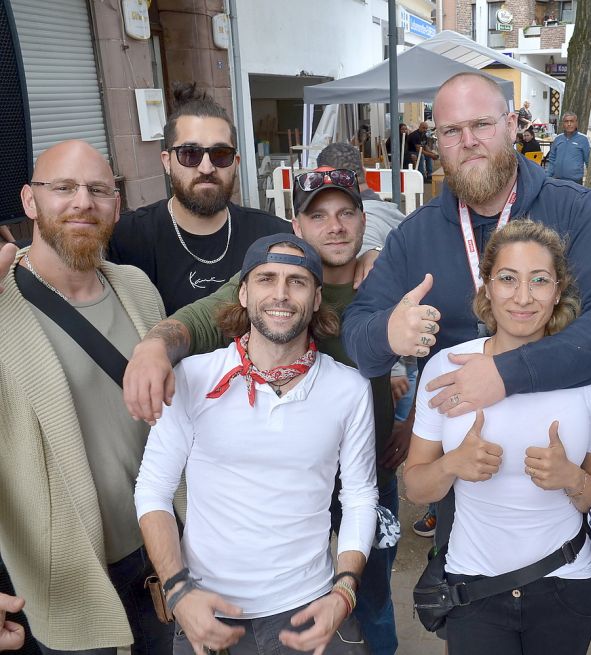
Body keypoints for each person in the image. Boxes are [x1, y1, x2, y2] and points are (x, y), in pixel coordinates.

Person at [122, 167, 403, 655]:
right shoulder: (193, 378)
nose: (280, 293)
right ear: (243, 291)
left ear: (316, 299)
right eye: (266, 279)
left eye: (296, 282)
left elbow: (359, 495)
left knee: (376, 603)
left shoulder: (352, 373)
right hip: (208, 603)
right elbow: (153, 489)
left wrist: (343, 590)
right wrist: (178, 589)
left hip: (308, 598)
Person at [341, 70, 591, 437]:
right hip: (457, 458)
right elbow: (356, 332)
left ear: (511, 125)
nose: (468, 141)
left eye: (482, 124)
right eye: (451, 131)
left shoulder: (574, 211)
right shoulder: (414, 234)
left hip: (559, 446)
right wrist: (387, 333)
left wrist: (507, 372)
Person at [404, 220, 591, 654]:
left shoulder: (588, 378)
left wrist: (570, 478)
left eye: (540, 281)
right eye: (507, 279)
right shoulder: (446, 369)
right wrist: (451, 465)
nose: (523, 297)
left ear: (558, 291)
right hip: (473, 588)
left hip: (564, 583)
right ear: (486, 289)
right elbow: (414, 483)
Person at [0, 140, 169, 653]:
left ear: (116, 204)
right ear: (30, 201)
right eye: (64, 188)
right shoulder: (1, 301)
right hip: (68, 577)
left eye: (99, 189)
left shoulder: (136, 287)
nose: (83, 203)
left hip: (162, 554)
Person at [107, 82, 288, 315]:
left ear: (236, 163)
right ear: (166, 162)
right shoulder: (125, 238)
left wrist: (350, 267)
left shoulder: (270, 234)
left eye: (220, 154)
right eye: (189, 153)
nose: (206, 167)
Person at [545, 111, 591, 184]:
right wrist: (547, 177)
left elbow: (589, 161)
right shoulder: (558, 139)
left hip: (575, 181)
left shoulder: (583, 139)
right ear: (563, 124)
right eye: (566, 121)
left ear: (576, 123)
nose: (569, 124)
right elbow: (552, 159)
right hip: (557, 180)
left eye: (571, 121)